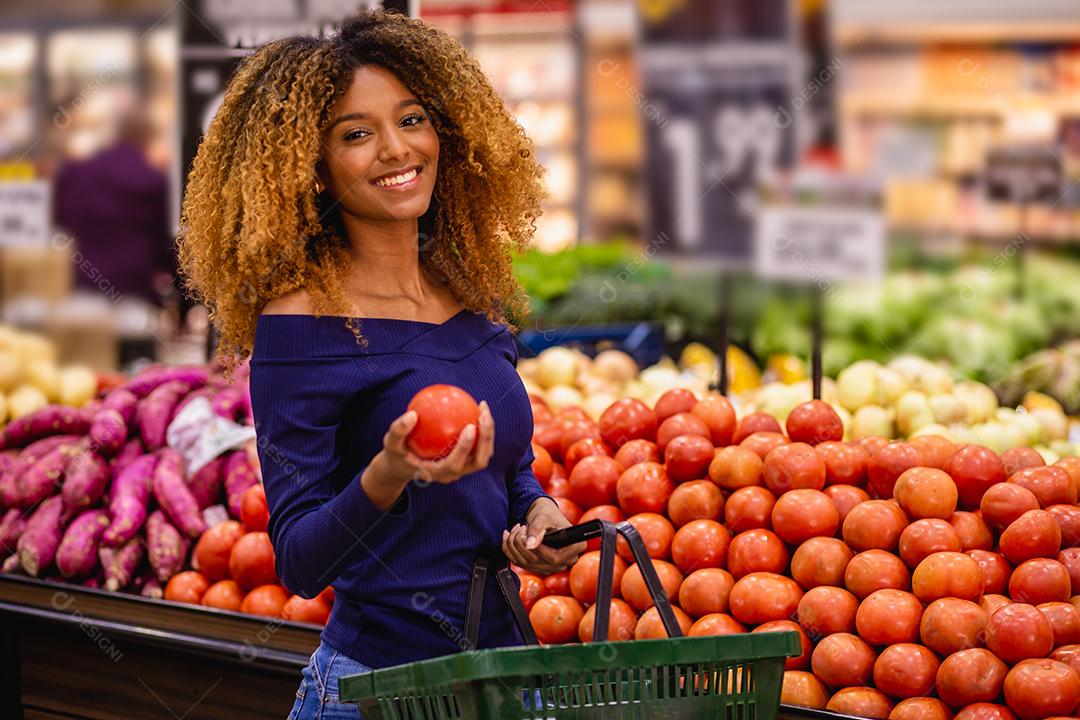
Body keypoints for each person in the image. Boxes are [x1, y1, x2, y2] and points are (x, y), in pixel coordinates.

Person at [176, 11, 584, 719]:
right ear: (312, 166)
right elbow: (301, 563)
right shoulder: (300, 325)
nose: (397, 150)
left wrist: (539, 512)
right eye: (356, 134)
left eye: (412, 119)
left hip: (507, 682)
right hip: (375, 694)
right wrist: (389, 472)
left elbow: (507, 468)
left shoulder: (470, 290)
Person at [53, 108, 174, 305]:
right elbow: (163, 243)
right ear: (146, 137)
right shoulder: (154, 181)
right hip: (135, 288)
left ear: (113, 133)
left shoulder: (79, 173)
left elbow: (62, 219)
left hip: (86, 283)